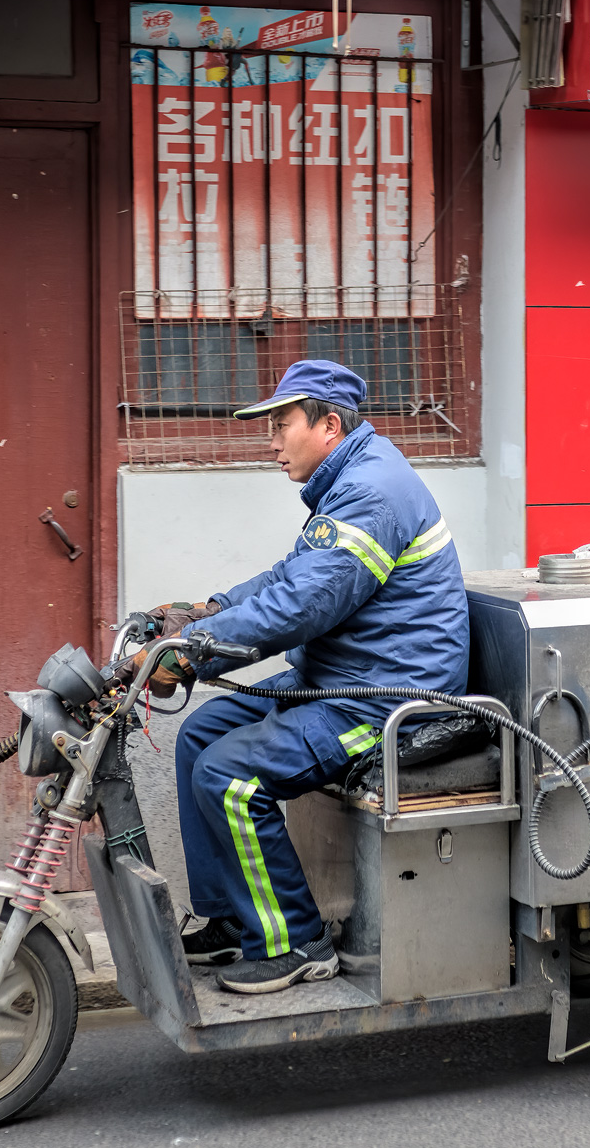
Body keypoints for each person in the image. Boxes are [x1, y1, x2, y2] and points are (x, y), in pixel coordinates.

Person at [142, 360, 468, 995]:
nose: (271, 439)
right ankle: (236, 918)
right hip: (337, 681)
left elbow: (301, 607)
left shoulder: (372, 492)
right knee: (200, 737)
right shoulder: (349, 482)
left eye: (281, 423)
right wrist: (205, 612)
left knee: (229, 777)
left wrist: (194, 653)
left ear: (328, 424)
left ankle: (295, 941)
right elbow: (288, 578)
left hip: (383, 703)